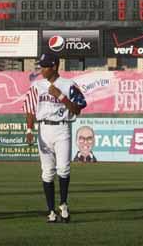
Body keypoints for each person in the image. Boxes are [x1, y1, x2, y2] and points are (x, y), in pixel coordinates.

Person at [23, 53, 87, 223]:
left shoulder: (68, 84)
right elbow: (29, 109)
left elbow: (78, 109)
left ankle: (63, 205)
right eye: (41, 66)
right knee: (47, 172)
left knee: (63, 169)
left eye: (45, 66)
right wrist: (29, 130)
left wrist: (60, 96)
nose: (42, 70)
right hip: (43, 128)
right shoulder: (37, 86)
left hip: (62, 128)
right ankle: (51, 211)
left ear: (55, 66)